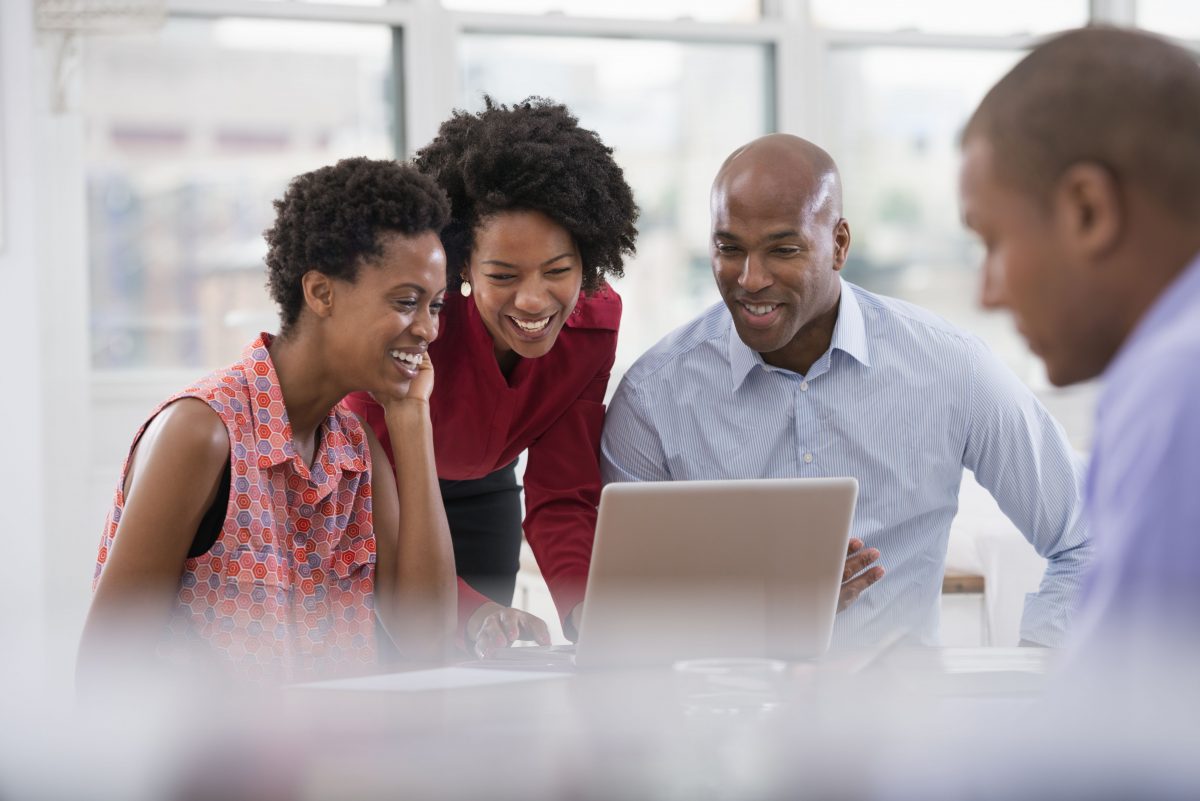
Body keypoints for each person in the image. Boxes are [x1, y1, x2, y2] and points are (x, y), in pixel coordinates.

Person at [601, 133, 1092, 648]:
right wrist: (765, 612)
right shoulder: (653, 398)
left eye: (783, 249)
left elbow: (1091, 539)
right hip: (720, 721)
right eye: (729, 249)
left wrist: (1038, 672)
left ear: (838, 244)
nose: (750, 278)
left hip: (901, 721)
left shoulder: (951, 369)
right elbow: (628, 624)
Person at [79, 157, 457, 685]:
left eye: (435, 306)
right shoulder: (201, 432)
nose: (428, 330)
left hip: (330, 762)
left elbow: (430, 644)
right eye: (407, 302)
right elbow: (103, 673)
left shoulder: (355, 449)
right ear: (321, 293)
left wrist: (411, 418)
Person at [343, 98, 640, 656]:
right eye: (502, 275)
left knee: (479, 675)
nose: (533, 300)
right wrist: (470, 613)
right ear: (460, 266)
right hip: (374, 495)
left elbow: (563, 492)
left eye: (559, 271)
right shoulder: (406, 325)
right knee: (397, 666)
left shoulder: (593, 327)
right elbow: (374, 518)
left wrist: (586, 611)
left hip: (484, 494)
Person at [960, 27, 1200, 669]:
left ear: (1087, 211)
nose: (988, 293)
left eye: (994, 242)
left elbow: (1134, 731)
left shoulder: (1177, 385)